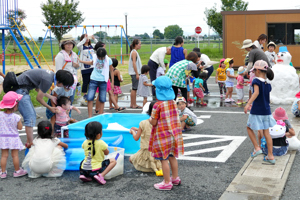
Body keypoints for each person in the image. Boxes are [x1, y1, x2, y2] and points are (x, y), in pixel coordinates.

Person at [14, 69, 74, 146]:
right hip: (20, 91)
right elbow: (38, 98)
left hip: (20, 89)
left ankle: (29, 142)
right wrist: (50, 108)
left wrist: (51, 97)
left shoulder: (51, 75)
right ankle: (31, 144)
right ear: (60, 82)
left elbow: (37, 89)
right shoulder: (48, 80)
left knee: (31, 116)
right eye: (65, 85)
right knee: (30, 117)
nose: (64, 87)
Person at [149, 76, 184, 190]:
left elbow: (154, 122)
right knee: (172, 156)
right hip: (173, 135)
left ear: (158, 90)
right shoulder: (173, 102)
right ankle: (175, 178)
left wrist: (150, 119)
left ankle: (167, 182)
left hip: (162, 136)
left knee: (164, 159)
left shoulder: (157, 105)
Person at [244, 60, 276, 165]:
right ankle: (270, 156)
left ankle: (257, 148)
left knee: (249, 127)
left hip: (257, 110)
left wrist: (248, 103)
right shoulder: (268, 83)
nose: (253, 72)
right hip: (266, 111)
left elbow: (256, 93)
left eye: (254, 70)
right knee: (267, 133)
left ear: (257, 70)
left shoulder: (255, 81)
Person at [78, 47, 114, 117]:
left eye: (102, 58)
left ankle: (100, 115)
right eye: (99, 57)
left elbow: (111, 70)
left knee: (102, 99)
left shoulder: (108, 60)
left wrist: (112, 82)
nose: (100, 59)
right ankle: (90, 117)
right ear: (97, 55)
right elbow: (91, 63)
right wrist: (81, 61)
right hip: (94, 79)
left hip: (103, 81)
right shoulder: (95, 57)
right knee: (90, 98)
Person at [129, 101, 163, 176]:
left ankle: (147, 168)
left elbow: (136, 138)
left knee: (131, 159)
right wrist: (139, 129)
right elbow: (152, 130)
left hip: (146, 156)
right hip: (159, 156)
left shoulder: (143, 123)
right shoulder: (162, 123)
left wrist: (133, 132)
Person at [0, 92, 27, 178]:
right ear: (15, 105)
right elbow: (19, 127)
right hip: (13, 138)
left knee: (4, 156)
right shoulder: (16, 117)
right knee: (15, 155)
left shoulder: (0, 115)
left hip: (3, 138)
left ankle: (3, 173)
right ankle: (17, 171)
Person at [55, 34, 79, 104]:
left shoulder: (74, 54)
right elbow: (58, 71)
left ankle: (68, 115)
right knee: (63, 102)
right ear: (63, 45)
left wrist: (77, 65)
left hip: (73, 82)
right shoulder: (60, 56)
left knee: (70, 101)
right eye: (67, 44)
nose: (69, 45)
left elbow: (78, 67)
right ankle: (62, 115)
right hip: (64, 82)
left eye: (71, 43)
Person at [77, 34, 98, 101]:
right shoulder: (82, 47)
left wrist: (94, 38)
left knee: (92, 81)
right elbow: (78, 45)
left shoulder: (92, 46)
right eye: (85, 38)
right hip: (85, 67)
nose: (87, 39)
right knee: (85, 82)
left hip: (92, 66)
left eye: (87, 38)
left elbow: (99, 45)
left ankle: (92, 93)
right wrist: (84, 39)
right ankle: (85, 95)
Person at [128, 39, 143, 109]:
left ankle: (132, 103)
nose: (140, 45)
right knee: (134, 88)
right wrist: (137, 73)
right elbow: (134, 63)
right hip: (134, 73)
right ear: (136, 45)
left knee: (135, 88)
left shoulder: (134, 52)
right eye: (139, 44)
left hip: (135, 72)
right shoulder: (134, 52)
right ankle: (134, 104)